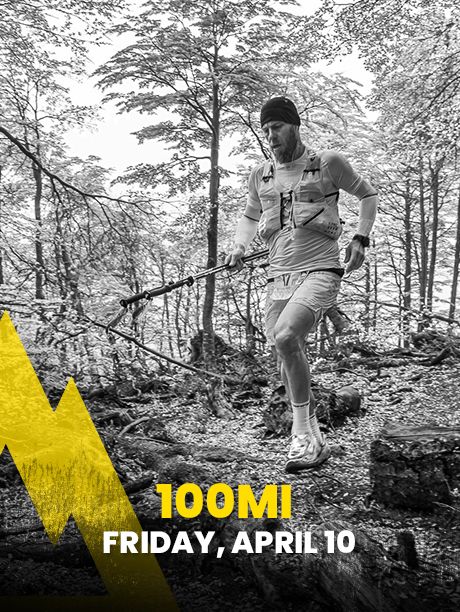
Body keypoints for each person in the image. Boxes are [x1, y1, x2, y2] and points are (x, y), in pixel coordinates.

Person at [226, 96, 378, 472]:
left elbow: (367, 194)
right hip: (279, 276)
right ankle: (314, 439)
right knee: (284, 353)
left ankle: (300, 434)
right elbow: (250, 216)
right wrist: (239, 246)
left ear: (294, 125)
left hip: (321, 269)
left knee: (286, 337)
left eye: (277, 127)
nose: (270, 135)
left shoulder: (328, 162)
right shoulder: (260, 175)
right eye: (265, 129)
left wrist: (360, 237)